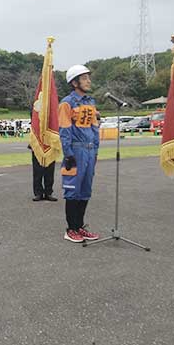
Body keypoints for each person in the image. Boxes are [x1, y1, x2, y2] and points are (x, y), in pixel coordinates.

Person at [59, 65, 100, 243]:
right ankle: (71, 229)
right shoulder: (67, 103)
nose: (88, 81)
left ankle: (80, 226)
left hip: (90, 149)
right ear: (74, 82)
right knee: (73, 190)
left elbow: (94, 127)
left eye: (88, 78)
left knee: (85, 190)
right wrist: (68, 153)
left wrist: (96, 148)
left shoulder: (90, 102)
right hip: (76, 149)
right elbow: (65, 130)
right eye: (84, 78)